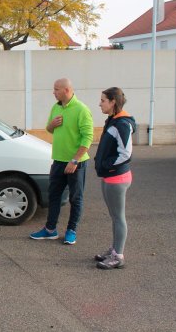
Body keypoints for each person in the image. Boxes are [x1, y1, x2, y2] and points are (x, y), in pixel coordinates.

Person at [30, 78, 93, 245]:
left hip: (75, 164)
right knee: (54, 196)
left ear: (66, 90)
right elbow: (49, 129)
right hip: (58, 160)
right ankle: (50, 230)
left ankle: (71, 231)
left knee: (75, 198)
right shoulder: (56, 107)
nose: (53, 92)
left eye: (56, 89)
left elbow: (88, 138)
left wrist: (74, 160)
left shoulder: (81, 110)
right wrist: (52, 124)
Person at [94, 87, 135, 270]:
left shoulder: (122, 124)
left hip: (117, 178)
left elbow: (125, 153)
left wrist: (106, 165)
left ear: (113, 102)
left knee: (118, 218)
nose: (100, 103)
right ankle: (114, 249)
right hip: (109, 177)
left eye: (103, 100)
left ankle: (118, 256)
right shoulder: (113, 120)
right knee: (114, 216)